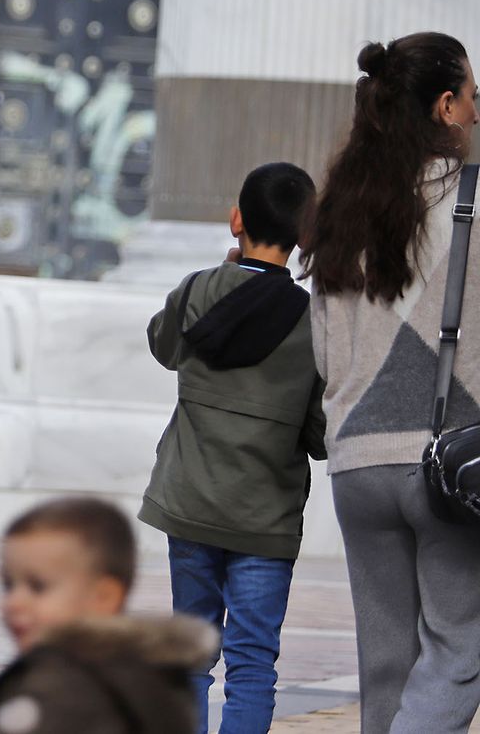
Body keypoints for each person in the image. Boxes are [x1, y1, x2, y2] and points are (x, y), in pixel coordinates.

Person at [303, 33, 480, 734]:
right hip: (449, 459)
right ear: (446, 105)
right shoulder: (472, 199)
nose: (477, 111)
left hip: (356, 459)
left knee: (385, 664)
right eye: (473, 96)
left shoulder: (340, 210)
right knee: (458, 650)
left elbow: (324, 350)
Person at [138, 161, 326, 734]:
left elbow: (163, 347)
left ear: (236, 220)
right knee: (252, 663)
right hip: (264, 519)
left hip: (190, 502)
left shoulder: (198, 289)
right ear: (305, 235)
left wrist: (223, 281)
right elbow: (320, 433)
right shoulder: (313, 321)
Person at [0, 498, 217, 734]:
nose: (15, 602)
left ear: (103, 597)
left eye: (38, 587)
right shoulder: (145, 670)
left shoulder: (69, 683)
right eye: (9, 585)